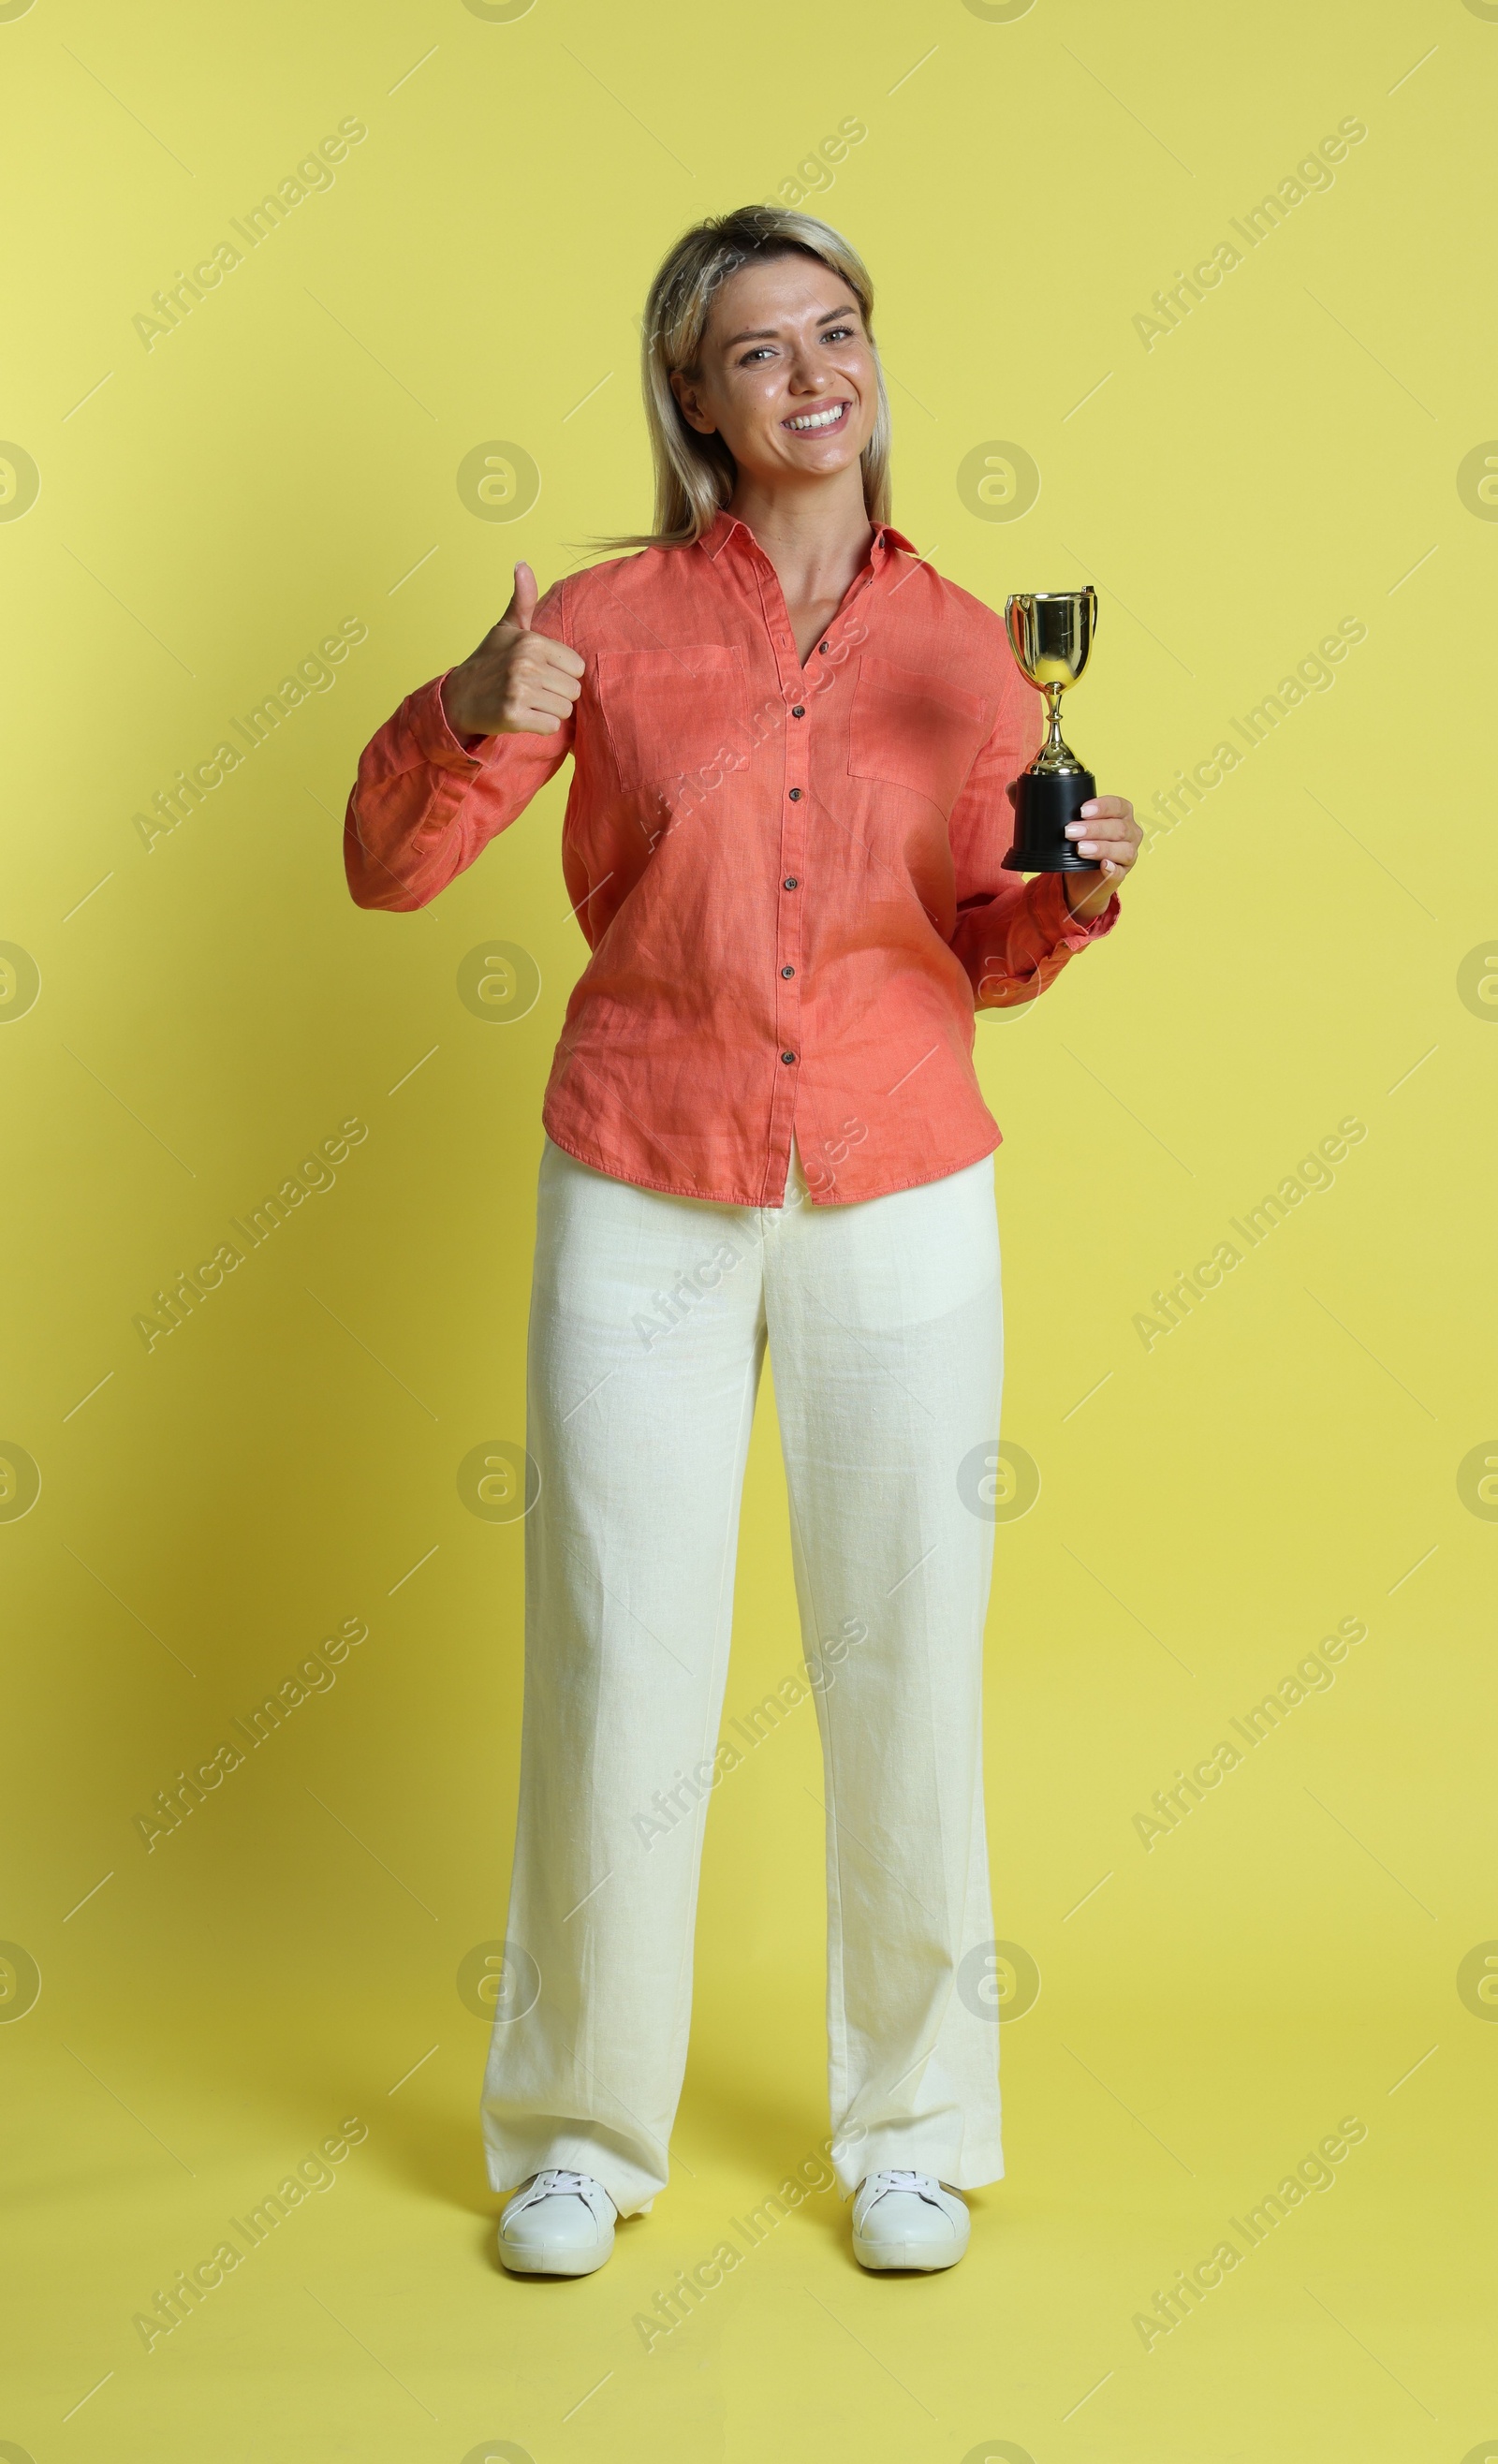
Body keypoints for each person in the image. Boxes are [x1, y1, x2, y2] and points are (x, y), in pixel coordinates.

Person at [343, 205, 1140, 2279]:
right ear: (693, 396)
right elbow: (391, 868)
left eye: (841, 331)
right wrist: (465, 691)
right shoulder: (599, 617)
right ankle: (581, 2134)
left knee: (902, 1660)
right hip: (642, 1169)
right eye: (762, 348)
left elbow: (984, 945)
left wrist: (1069, 885)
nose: (814, 373)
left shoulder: (974, 648)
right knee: (619, 1654)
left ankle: (914, 2125)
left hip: (896, 1184)